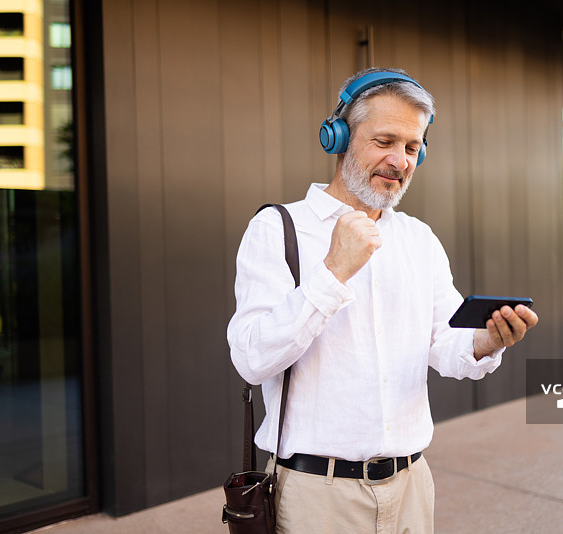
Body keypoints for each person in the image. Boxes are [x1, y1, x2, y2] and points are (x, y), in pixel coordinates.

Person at [227, 67, 539, 534]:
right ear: (338, 137)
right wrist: (333, 271)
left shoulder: (419, 239)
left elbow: (445, 344)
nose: (400, 161)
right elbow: (252, 359)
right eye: (384, 141)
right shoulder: (277, 229)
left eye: (412, 147)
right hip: (317, 497)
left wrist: (486, 340)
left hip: (411, 486)